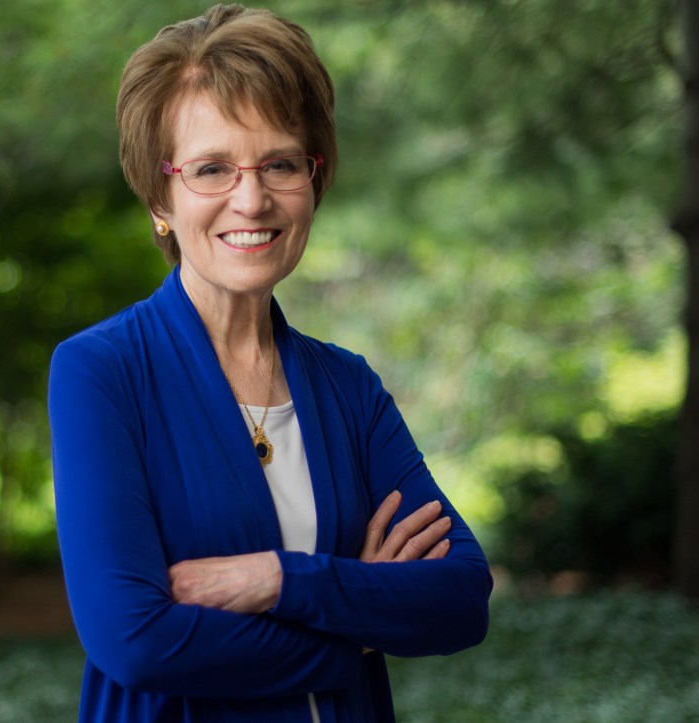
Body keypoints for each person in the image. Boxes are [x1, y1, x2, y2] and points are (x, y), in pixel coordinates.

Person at [48, 4, 492, 721]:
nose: (251, 199)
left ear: (314, 179)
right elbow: (136, 640)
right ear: (160, 197)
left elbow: (462, 597)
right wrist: (360, 623)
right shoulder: (101, 372)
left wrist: (279, 579)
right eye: (211, 169)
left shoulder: (348, 386)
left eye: (280, 163)